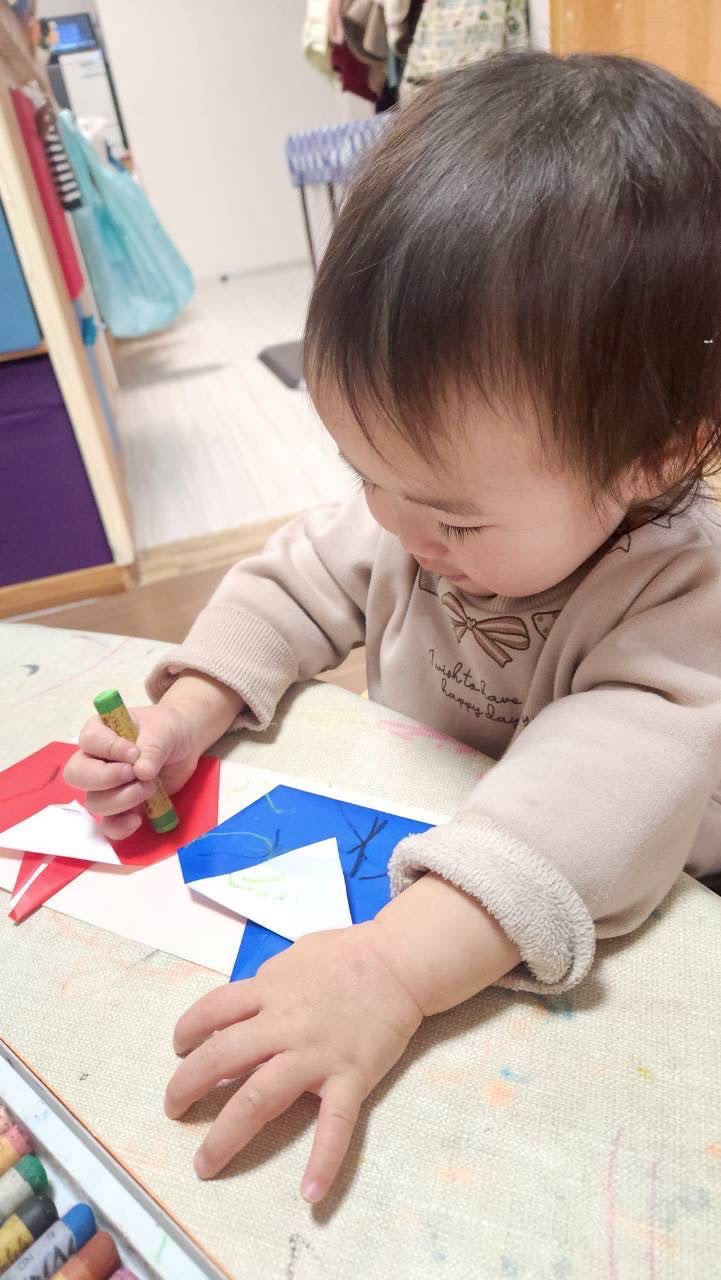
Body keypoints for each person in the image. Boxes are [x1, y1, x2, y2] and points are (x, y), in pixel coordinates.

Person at [65, 51, 721, 1203]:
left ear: (649, 457)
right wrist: (189, 710)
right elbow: (299, 575)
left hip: (606, 903)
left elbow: (592, 796)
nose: (393, 525)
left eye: (450, 514)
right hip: (429, 823)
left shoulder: (681, 594)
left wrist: (388, 967)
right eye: (364, 472)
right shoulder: (420, 507)